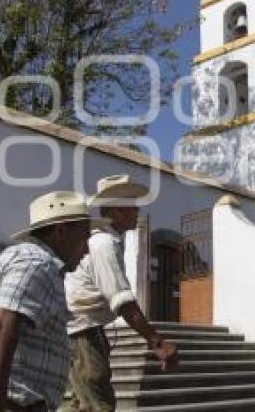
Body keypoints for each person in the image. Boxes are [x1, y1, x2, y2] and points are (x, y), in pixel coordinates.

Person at [0, 191, 104, 412]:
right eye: (84, 237)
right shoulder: (38, 264)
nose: (86, 249)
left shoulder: (15, 258)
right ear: (60, 231)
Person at [61, 175, 178, 412]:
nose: (137, 212)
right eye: (132, 207)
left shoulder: (103, 241)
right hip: (82, 335)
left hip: (80, 333)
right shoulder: (105, 244)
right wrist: (157, 341)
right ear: (117, 210)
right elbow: (122, 301)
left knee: (76, 405)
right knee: (98, 405)